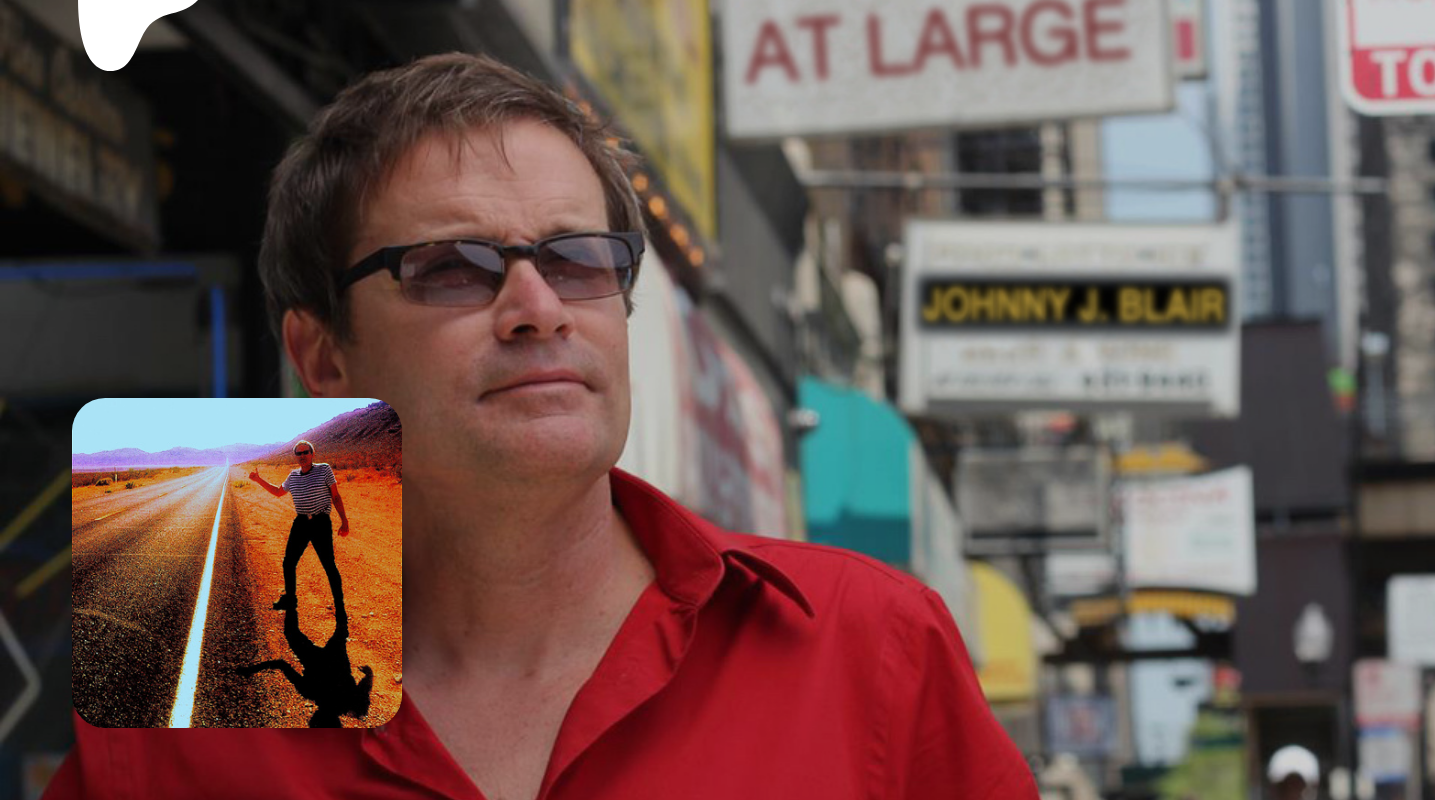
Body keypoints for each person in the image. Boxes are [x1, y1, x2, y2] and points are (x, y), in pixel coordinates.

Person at [47, 52, 1037, 799]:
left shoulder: (867, 646)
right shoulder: (189, 672)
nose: (537, 307)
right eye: (450, 267)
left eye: (577, 258)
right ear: (324, 357)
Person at [248, 439, 350, 623]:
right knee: (289, 562)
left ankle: (340, 606)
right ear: (295, 456)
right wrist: (258, 480)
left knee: (329, 565)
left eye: (306, 452)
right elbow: (278, 492)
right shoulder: (293, 476)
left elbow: (335, 496)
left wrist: (344, 521)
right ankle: (290, 600)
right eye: (299, 453)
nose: (302, 456)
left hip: (320, 523)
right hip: (301, 522)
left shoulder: (324, 470)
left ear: (312, 454)